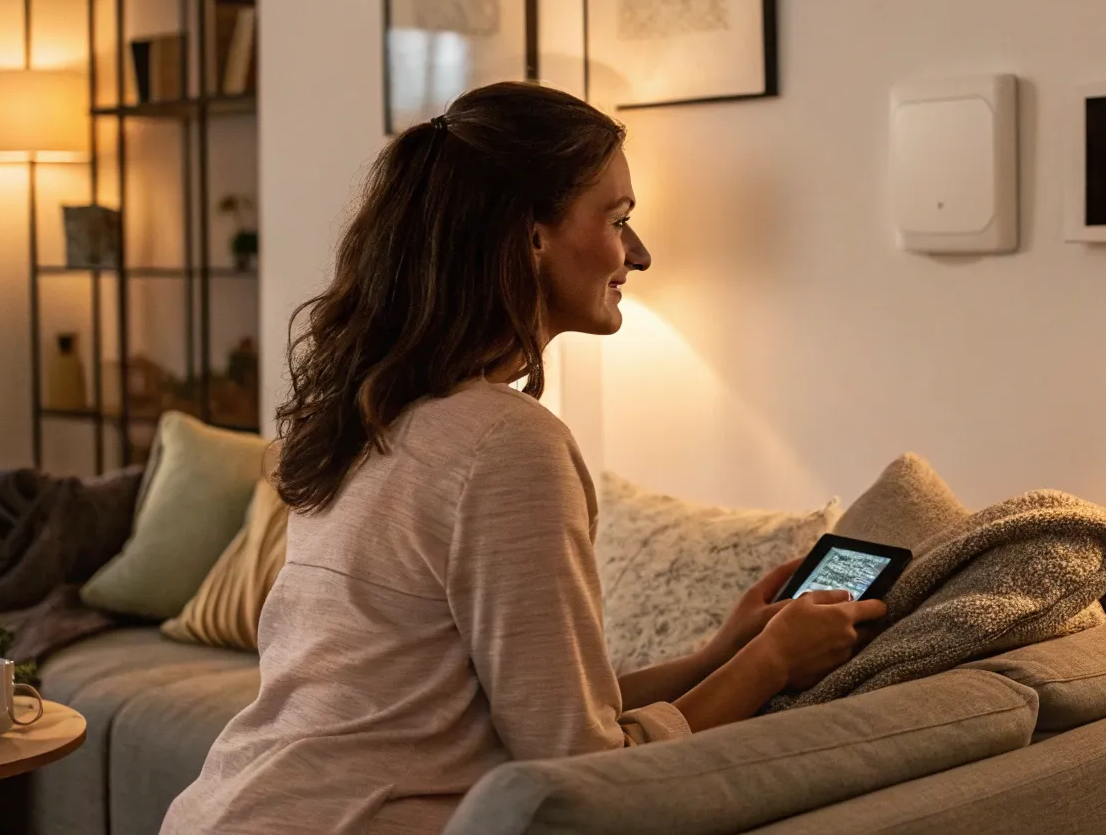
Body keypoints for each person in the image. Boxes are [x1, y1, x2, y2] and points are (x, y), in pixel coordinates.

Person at [160, 82, 884, 834]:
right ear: (530, 236)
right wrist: (770, 667)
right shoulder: (506, 446)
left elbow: (524, 709)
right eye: (618, 219)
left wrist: (720, 652)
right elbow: (585, 775)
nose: (639, 254)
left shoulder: (374, 415)